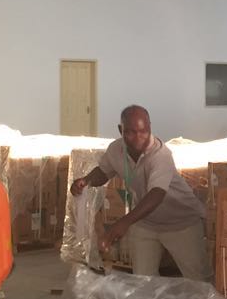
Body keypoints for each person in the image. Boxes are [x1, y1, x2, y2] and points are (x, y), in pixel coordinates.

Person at [70, 104, 210, 281]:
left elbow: (157, 194)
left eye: (144, 131)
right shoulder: (116, 150)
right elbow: (104, 172)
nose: (139, 138)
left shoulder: (160, 155)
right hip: (146, 223)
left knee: (199, 280)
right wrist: (86, 181)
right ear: (121, 130)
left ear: (150, 127)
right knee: (142, 281)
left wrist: (124, 222)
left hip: (181, 222)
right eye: (131, 132)